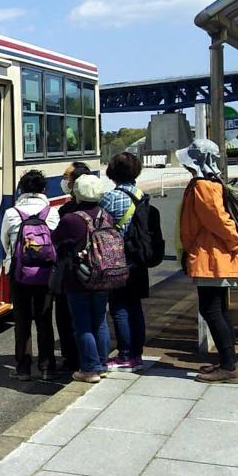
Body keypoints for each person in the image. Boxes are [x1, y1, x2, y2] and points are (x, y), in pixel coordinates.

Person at [178, 139, 238, 384]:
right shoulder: (212, 182)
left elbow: (217, 219)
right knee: (219, 309)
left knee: (211, 309)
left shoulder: (203, 186)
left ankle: (228, 367)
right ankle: (230, 362)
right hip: (216, 254)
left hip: (211, 254)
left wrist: (234, 243)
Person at [0, 170, 60, 382]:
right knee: (44, 320)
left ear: (21, 189)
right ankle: (47, 368)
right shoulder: (51, 213)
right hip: (45, 274)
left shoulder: (11, 213)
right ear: (44, 189)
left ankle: (23, 369)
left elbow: (5, 242)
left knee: (22, 321)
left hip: (19, 274)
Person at [52, 174, 112, 383]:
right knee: (100, 322)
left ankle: (90, 368)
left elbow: (55, 240)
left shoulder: (71, 219)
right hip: (104, 274)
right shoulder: (106, 215)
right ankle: (103, 364)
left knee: (82, 324)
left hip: (78, 277)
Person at [100, 152, 148, 373]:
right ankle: (137, 354)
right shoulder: (142, 195)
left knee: (119, 307)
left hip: (118, 259)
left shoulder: (110, 198)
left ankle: (125, 355)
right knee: (135, 307)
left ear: (113, 173)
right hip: (139, 257)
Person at [50, 161, 88, 373]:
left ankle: (72, 360)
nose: (64, 182)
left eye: (68, 179)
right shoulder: (103, 210)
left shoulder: (67, 212)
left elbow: (56, 240)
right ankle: (94, 360)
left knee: (66, 319)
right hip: (97, 272)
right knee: (95, 320)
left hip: (70, 272)